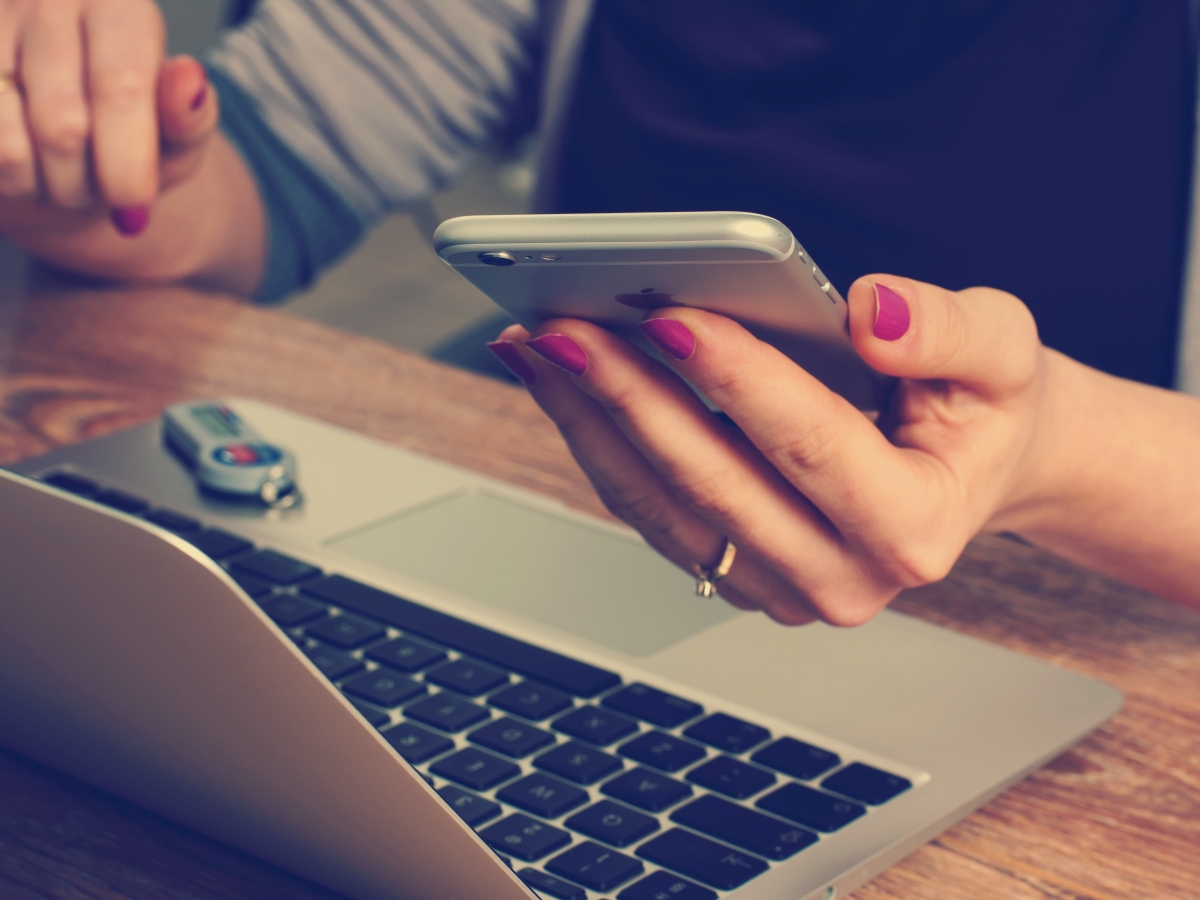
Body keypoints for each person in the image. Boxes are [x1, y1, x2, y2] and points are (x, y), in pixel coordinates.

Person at [1, 0, 1198, 618]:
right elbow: (269, 159)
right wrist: (91, 157)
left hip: (1110, 671)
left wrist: (1059, 455)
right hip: (580, 566)